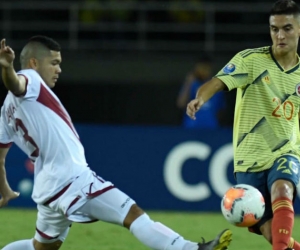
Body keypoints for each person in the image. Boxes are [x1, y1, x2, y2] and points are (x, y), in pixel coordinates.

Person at [0, 35, 232, 250]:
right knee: (133, 215)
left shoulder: (5, 112)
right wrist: (7, 67)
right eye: (54, 63)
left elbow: (0, 156)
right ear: (33, 63)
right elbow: (16, 84)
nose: (59, 69)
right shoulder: (29, 79)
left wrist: (5, 190)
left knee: (40, 247)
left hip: (47, 187)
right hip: (72, 179)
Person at [186, 0, 300, 250]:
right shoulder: (251, 60)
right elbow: (217, 82)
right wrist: (200, 98)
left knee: (283, 189)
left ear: (299, 29)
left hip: (285, 151)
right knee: (273, 235)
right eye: (274, 29)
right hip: (249, 159)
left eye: (287, 28)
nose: (280, 35)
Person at [177, 56, 226, 129]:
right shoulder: (191, 84)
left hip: (211, 127)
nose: (203, 71)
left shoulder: (216, 86)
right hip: (191, 127)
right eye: (201, 67)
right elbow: (181, 104)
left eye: (206, 68)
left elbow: (221, 109)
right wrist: (188, 84)